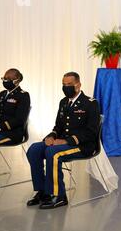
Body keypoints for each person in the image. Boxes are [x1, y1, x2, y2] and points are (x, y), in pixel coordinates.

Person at [26, 72, 100, 209]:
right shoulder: (63, 102)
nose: (66, 87)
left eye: (69, 85)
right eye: (64, 84)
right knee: (34, 150)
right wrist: (51, 137)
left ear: (78, 85)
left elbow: (91, 132)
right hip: (62, 142)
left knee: (53, 153)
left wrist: (67, 141)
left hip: (83, 146)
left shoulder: (91, 103)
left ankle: (59, 195)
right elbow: (58, 127)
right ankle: (43, 191)